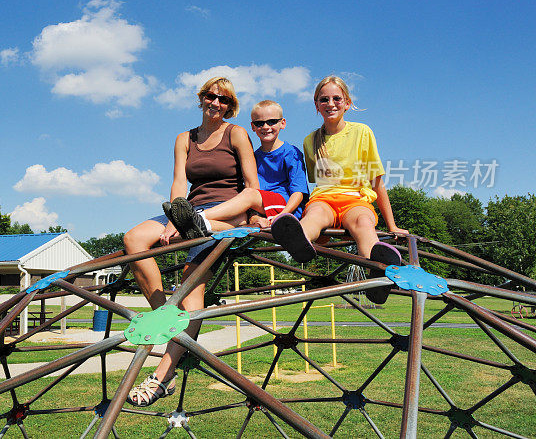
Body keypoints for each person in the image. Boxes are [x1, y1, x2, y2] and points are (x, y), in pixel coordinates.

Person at [123, 77, 259, 406]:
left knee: (190, 287)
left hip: (225, 214)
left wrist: (250, 218)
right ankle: (167, 322)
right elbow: (178, 183)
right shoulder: (185, 138)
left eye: (224, 100)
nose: (216, 103)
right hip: (190, 211)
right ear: (201, 99)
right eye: (211, 96)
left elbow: (252, 189)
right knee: (134, 238)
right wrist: (174, 217)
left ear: (230, 106)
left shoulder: (236, 134)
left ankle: (163, 375)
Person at [269, 75, 408, 302]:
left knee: (363, 222)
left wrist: (392, 225)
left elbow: (376, 182)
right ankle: (300, 239)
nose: (330, 104)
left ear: (347, 102)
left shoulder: (362, 132)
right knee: (314, 215)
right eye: (324, 99)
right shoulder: (310, 140)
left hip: (355, 198)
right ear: (316, 105)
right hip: (324, 198)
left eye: (336, 98)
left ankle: (377, 267)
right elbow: (319, 182)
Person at [165, 99, 308, 238]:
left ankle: (194, 216)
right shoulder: (254, 156)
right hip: (260, 207)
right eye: (259, 123)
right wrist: (255, 216)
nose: (265, 126)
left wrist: (284, 214)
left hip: (283, 207)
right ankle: (203, 224)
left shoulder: (291, 153)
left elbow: (298, 192)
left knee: (249, 193)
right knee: (240, 213)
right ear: (252, 126)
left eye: (271, 121)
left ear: (282, 123)